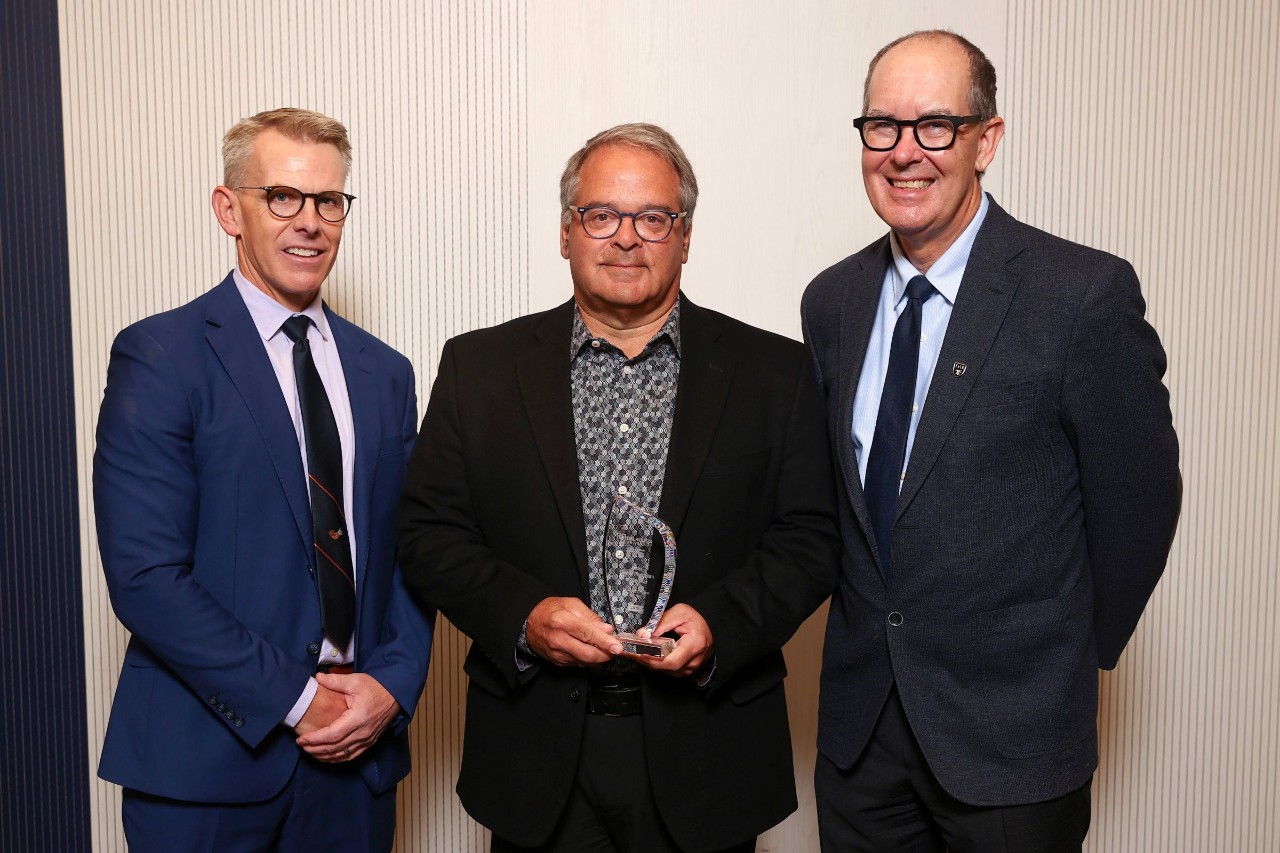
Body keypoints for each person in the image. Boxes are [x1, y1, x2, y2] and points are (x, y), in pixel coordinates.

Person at [398, 122, 840, 853]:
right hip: (536, 750)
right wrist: (525, 614)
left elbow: (812, 537)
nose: (626, 238)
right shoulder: (479, 368)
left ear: (686, 235)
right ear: (567, 232)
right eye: (602, 215)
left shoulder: (775, 374)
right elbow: (427, 534)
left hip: (709, 748)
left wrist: (723, 623)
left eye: (653, 217)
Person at [802, 30, 1182, 852]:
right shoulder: (831, 302)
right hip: (862, 738)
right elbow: (838, 512)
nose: (905, 153)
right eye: (883, 127)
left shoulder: (1081, 296)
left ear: (988, 140)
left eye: (935, 125)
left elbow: (1141, 507)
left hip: (1013, 739)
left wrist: (1061, 662)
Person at [93, 107, 434, 851]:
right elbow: (146, 576)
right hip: (206, 768)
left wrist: (393, 685)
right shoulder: (160, 356)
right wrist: (296, 697)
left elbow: (415, 550)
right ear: (229, 209)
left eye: (328, 201)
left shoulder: (386, 372)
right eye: (282, 196)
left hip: (358, 761)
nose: (309, 221)